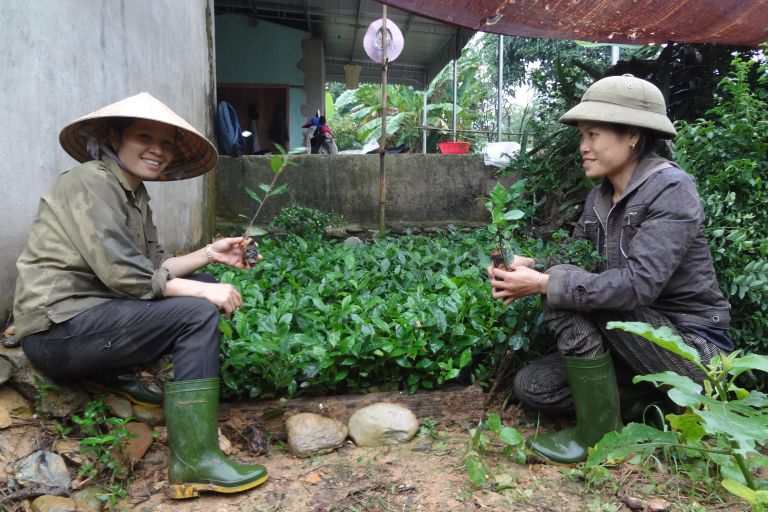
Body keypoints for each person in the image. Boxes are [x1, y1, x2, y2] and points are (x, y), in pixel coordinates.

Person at [13, 92, 268, 498]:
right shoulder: (90, 181)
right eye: (144, 136)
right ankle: (194, 461)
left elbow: (155, 268)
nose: (158, 150)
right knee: (197, 312)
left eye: (167, 142)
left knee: (199, 285)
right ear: (115, 138)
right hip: (57, 331)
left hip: (93, 320)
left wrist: (209, 254)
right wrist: (206, 295)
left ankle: (111, 374)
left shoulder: (134, 192)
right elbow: (126, 276)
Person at [487, 75, 732, 464]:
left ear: (632, 135)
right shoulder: (599, 197)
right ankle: (652, 408)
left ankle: (599, 433)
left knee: (561, 286)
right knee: (532, 386)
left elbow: (636, 287)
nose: (583, 147)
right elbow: (577, 260)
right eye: (582, 135)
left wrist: (544, 283)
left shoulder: (671, 189)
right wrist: (533, 269)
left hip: (692, 350)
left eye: (594, 135)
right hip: (629, 343)